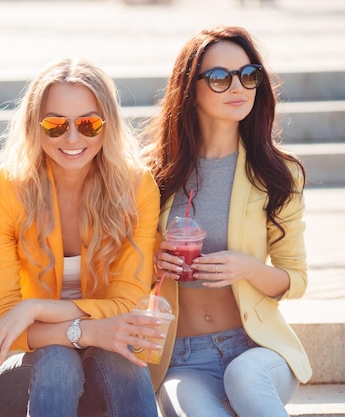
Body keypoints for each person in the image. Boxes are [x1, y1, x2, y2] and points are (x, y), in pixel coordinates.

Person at [0, 57, 161, 417]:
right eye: (56, 125)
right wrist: (86, 332)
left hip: (102, 370)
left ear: (108, 126)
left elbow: (129, 306)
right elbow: (0, 324)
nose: (73, 138)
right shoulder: (3, 189)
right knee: (59, 359)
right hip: (16, 372)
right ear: (34, 126)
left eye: (88, 124)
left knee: (121, 358)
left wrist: (35, 309)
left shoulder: (137, 188)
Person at [139, 26, 312, 417]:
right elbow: (122, 262)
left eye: (248, 75)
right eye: (219, 78)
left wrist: (248, 268)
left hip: (255, 349)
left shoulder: (278, 173)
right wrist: (152, 261)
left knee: (243, 378)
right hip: (182, 357)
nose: (238, 87)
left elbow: (295, 279)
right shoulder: (152, 172)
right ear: (190, 89)